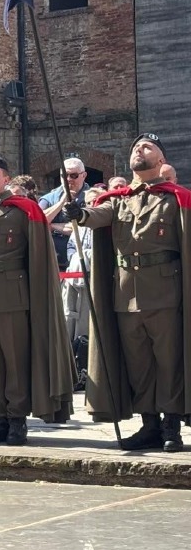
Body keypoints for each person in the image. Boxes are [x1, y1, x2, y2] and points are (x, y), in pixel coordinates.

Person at [65, 132, 190, 452]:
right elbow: (97, 216)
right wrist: (80, 213)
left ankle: (171, 427)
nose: (140, 150)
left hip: (165, 291)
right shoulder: (118, 199)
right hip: (125, 294)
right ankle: (149, 424)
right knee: (139, 365)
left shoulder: (175, 198)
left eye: (147, 146)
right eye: (136, 147)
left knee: (169, 363)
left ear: (161, 160)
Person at [0, 155, 74, 445]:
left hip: (14, 294)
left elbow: (37, 254)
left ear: (6, 180)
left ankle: (16, 419)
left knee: (14, 361)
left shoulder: (23, 210)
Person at [39, 157, 90, 271]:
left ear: (84, 175)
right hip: (56, 261)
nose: (68, 179)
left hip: (84, 262)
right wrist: (61, 202)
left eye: (73, 175)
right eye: (64, 175)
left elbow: (84, 229)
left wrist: (52, 226)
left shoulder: (93, 197)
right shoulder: (49, 199)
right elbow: (38, 223)